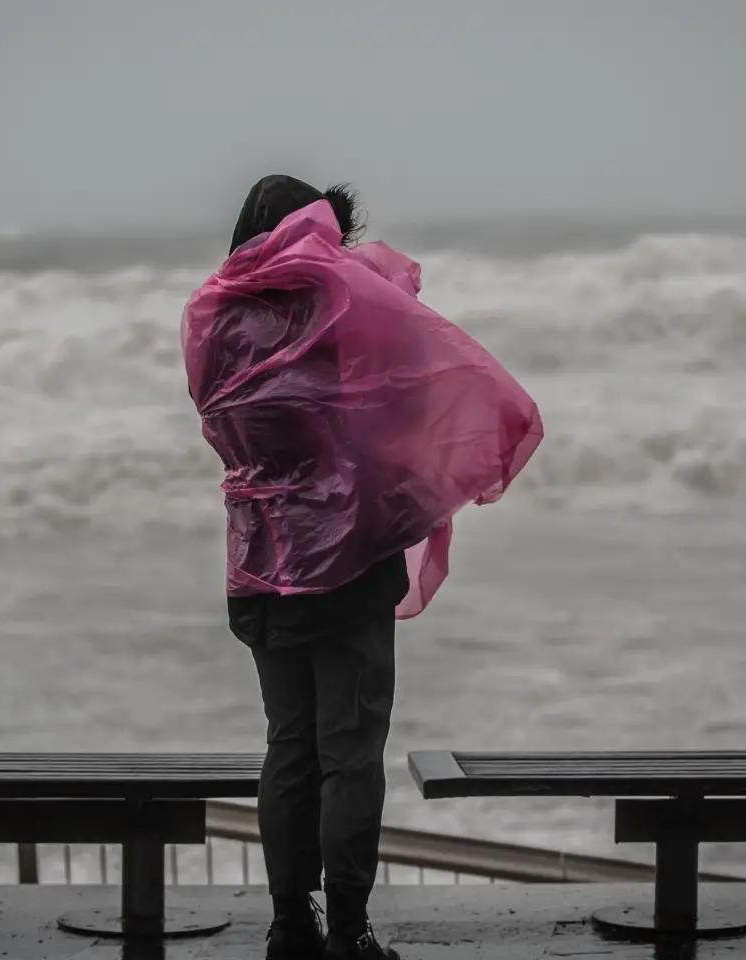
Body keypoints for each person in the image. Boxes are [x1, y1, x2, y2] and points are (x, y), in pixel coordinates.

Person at [183, 174, 541, 960]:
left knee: (288, 744)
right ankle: (348, 928)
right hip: (343, 564)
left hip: (255, 560)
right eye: (329, 236)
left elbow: (232, 425)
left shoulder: (210, 313)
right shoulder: (340, 304)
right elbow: (393, 410)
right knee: (349, 753)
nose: (337, 251)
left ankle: (288, 926)